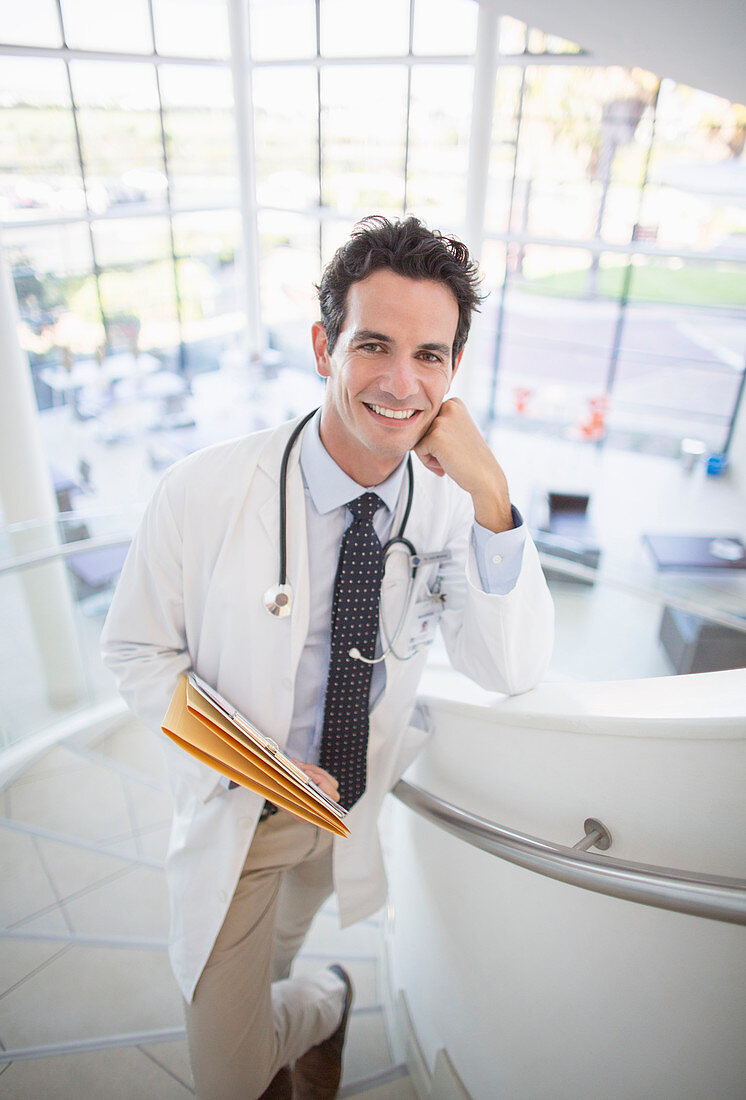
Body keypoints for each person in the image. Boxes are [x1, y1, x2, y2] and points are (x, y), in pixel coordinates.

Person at [101, 215, 554, 1099]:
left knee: (273, 964)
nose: (400, 381)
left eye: (431, 355)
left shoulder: (452, 506)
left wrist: (493, 494)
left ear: (454, 370)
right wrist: (262, 764)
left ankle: (303, 998)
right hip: (244, 812)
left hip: (343, 810)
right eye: (374, 345)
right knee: (228, 1076)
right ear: (323, 345)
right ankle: (327, 1002)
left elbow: (509, 667)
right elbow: (137, 651)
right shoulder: (202, 490)